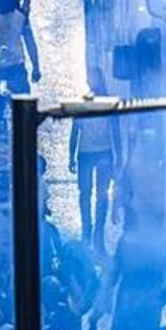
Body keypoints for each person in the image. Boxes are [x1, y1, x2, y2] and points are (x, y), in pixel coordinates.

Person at [69, 69, 122, 254]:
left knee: (98, 193)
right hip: (88, 153)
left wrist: (119, 156)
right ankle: (88, 229)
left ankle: (96, 231)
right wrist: (71, 154)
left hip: (101, 153)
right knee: (86, 192)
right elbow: (75, 130)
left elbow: (116, 131)